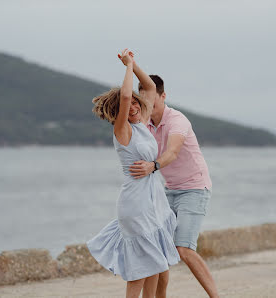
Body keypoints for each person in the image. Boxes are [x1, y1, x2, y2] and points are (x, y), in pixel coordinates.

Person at [86, 49, 180, 298]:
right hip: (136, 205)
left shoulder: (141, 122)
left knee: (155, 268)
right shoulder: (123, 131)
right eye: (128, 107)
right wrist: (127, 67)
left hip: (154, 202)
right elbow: (126, 96)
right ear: (119, 113)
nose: (133, 107)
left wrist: (134, 63)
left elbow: (148, 86)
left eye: (137, 104)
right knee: (139, 272)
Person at [130, 75, 219, 297]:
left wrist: (153, 166)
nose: (146, 105)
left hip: (195, 188)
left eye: (151, 99)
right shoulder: (146, 125)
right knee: (156, 250)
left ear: (163, 96)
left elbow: (172, 152)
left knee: (184, 249)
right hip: (169, 190)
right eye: (142, 100)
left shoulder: (177, 120)